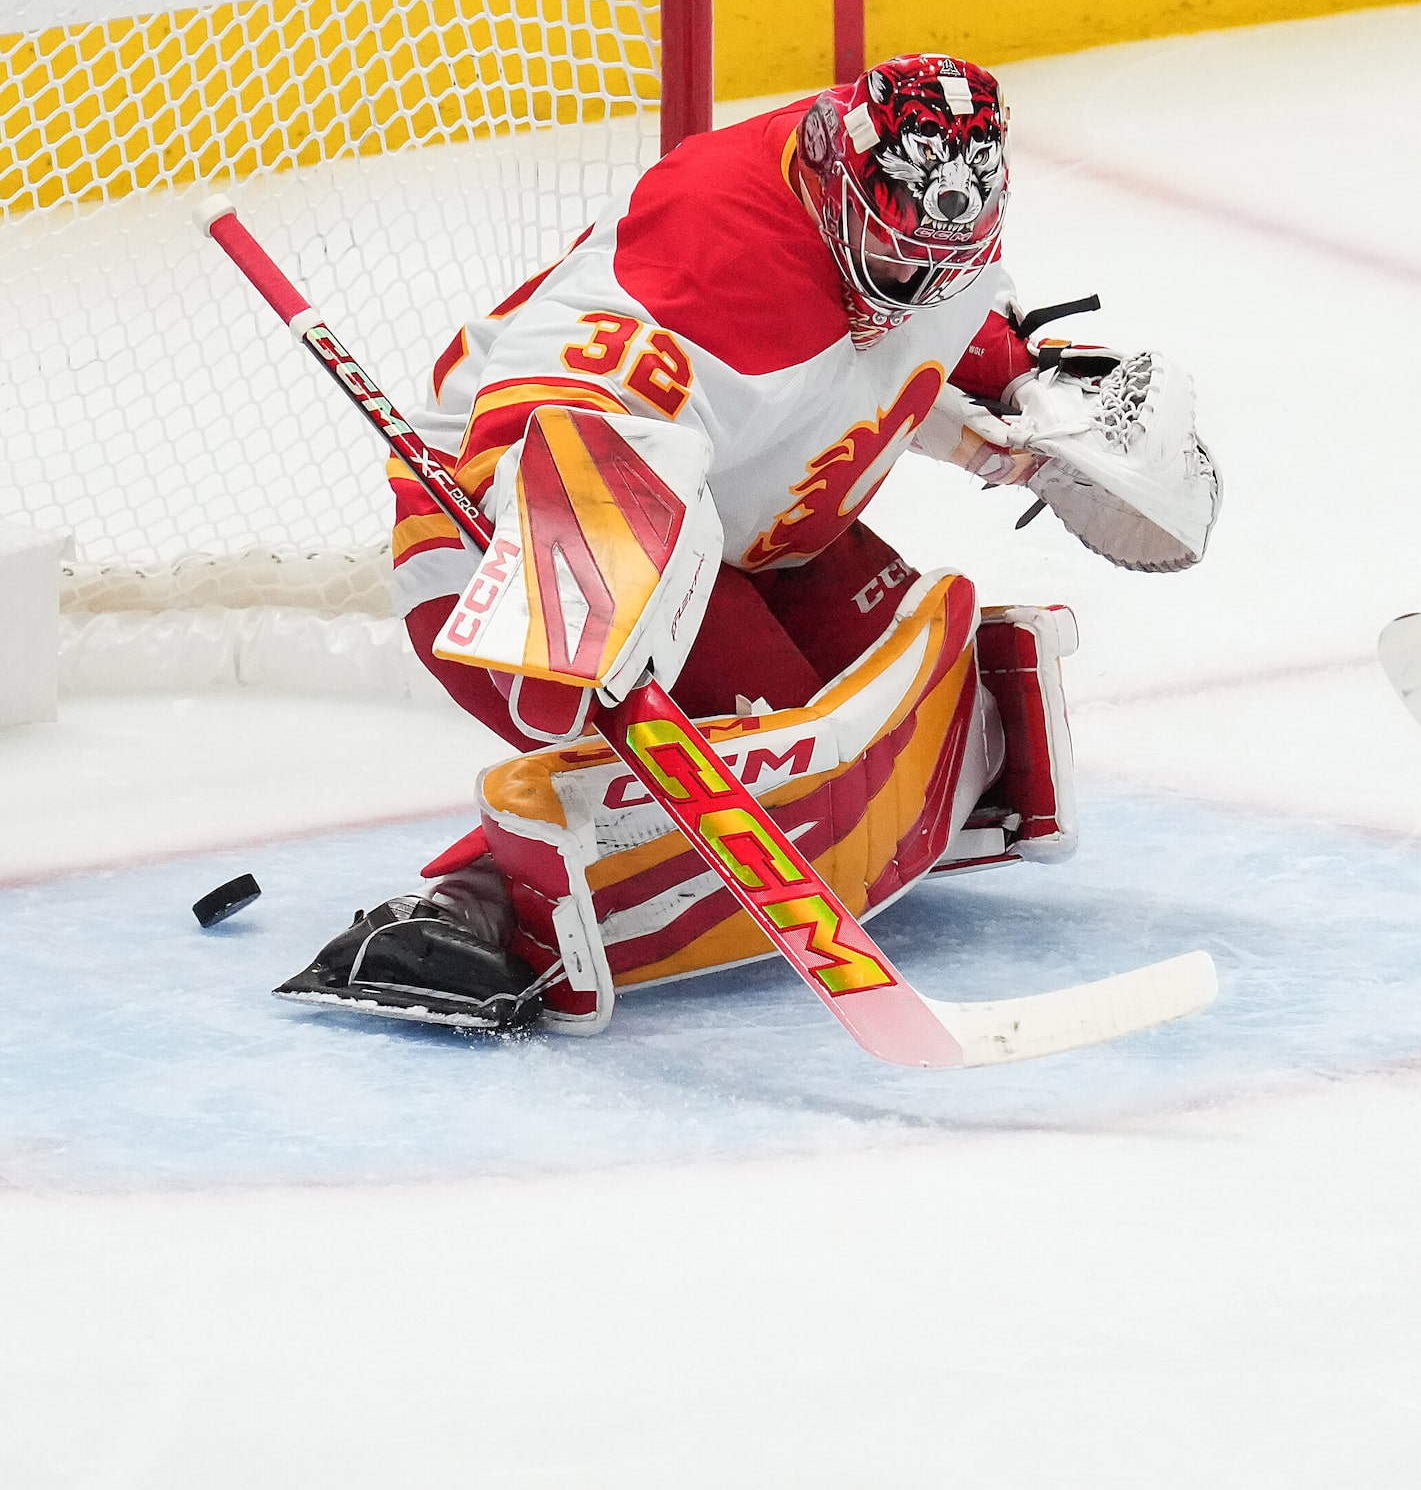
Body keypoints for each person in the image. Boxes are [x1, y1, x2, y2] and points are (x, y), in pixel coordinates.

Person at [277, 53, 1221, 1033]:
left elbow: (952, 321)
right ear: (837, 185)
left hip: (735, 524)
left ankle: (908, 802)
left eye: (946, 259)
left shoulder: (918, 230)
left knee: (899, 695)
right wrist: (592, 569)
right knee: (792, 753)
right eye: (901, 255)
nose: (917, 282)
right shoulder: (715, 257)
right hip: (512, 538)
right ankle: (474, 905)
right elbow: (547, 409)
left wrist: (1029, 394)